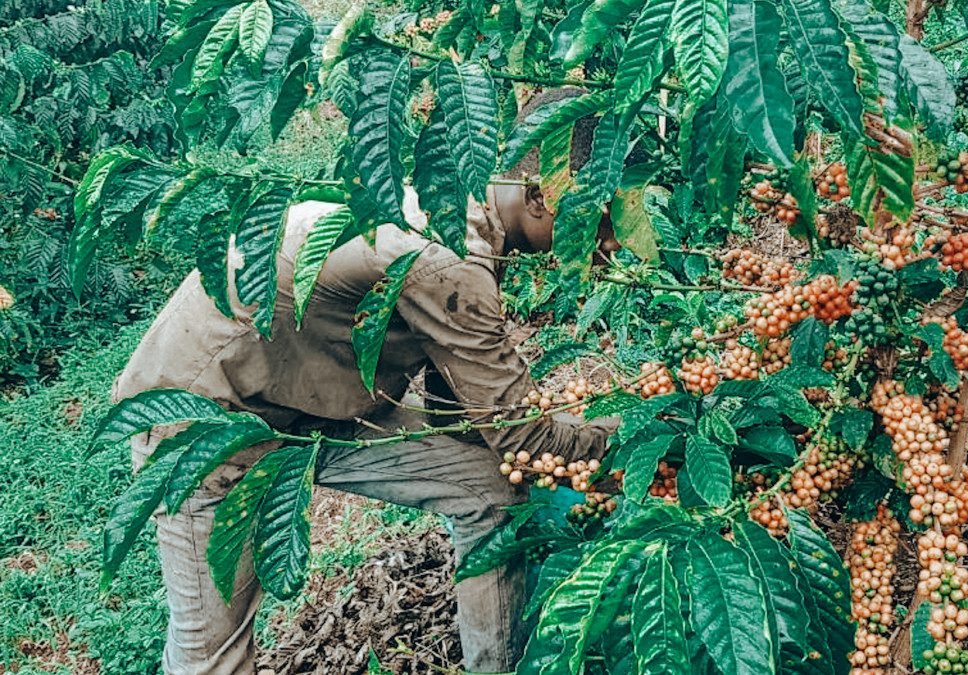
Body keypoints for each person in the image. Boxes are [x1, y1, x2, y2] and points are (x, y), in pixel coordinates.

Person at [114, 89, 613, 674]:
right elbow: (520, 438)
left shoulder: (464, 211)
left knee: (490, 488)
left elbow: (466, 412)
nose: (606, 244)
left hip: (310, 400)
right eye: (597, 219)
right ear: (540, 196)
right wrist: (620, 437)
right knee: (210, 652)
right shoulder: (446, 258)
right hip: (202, 416)